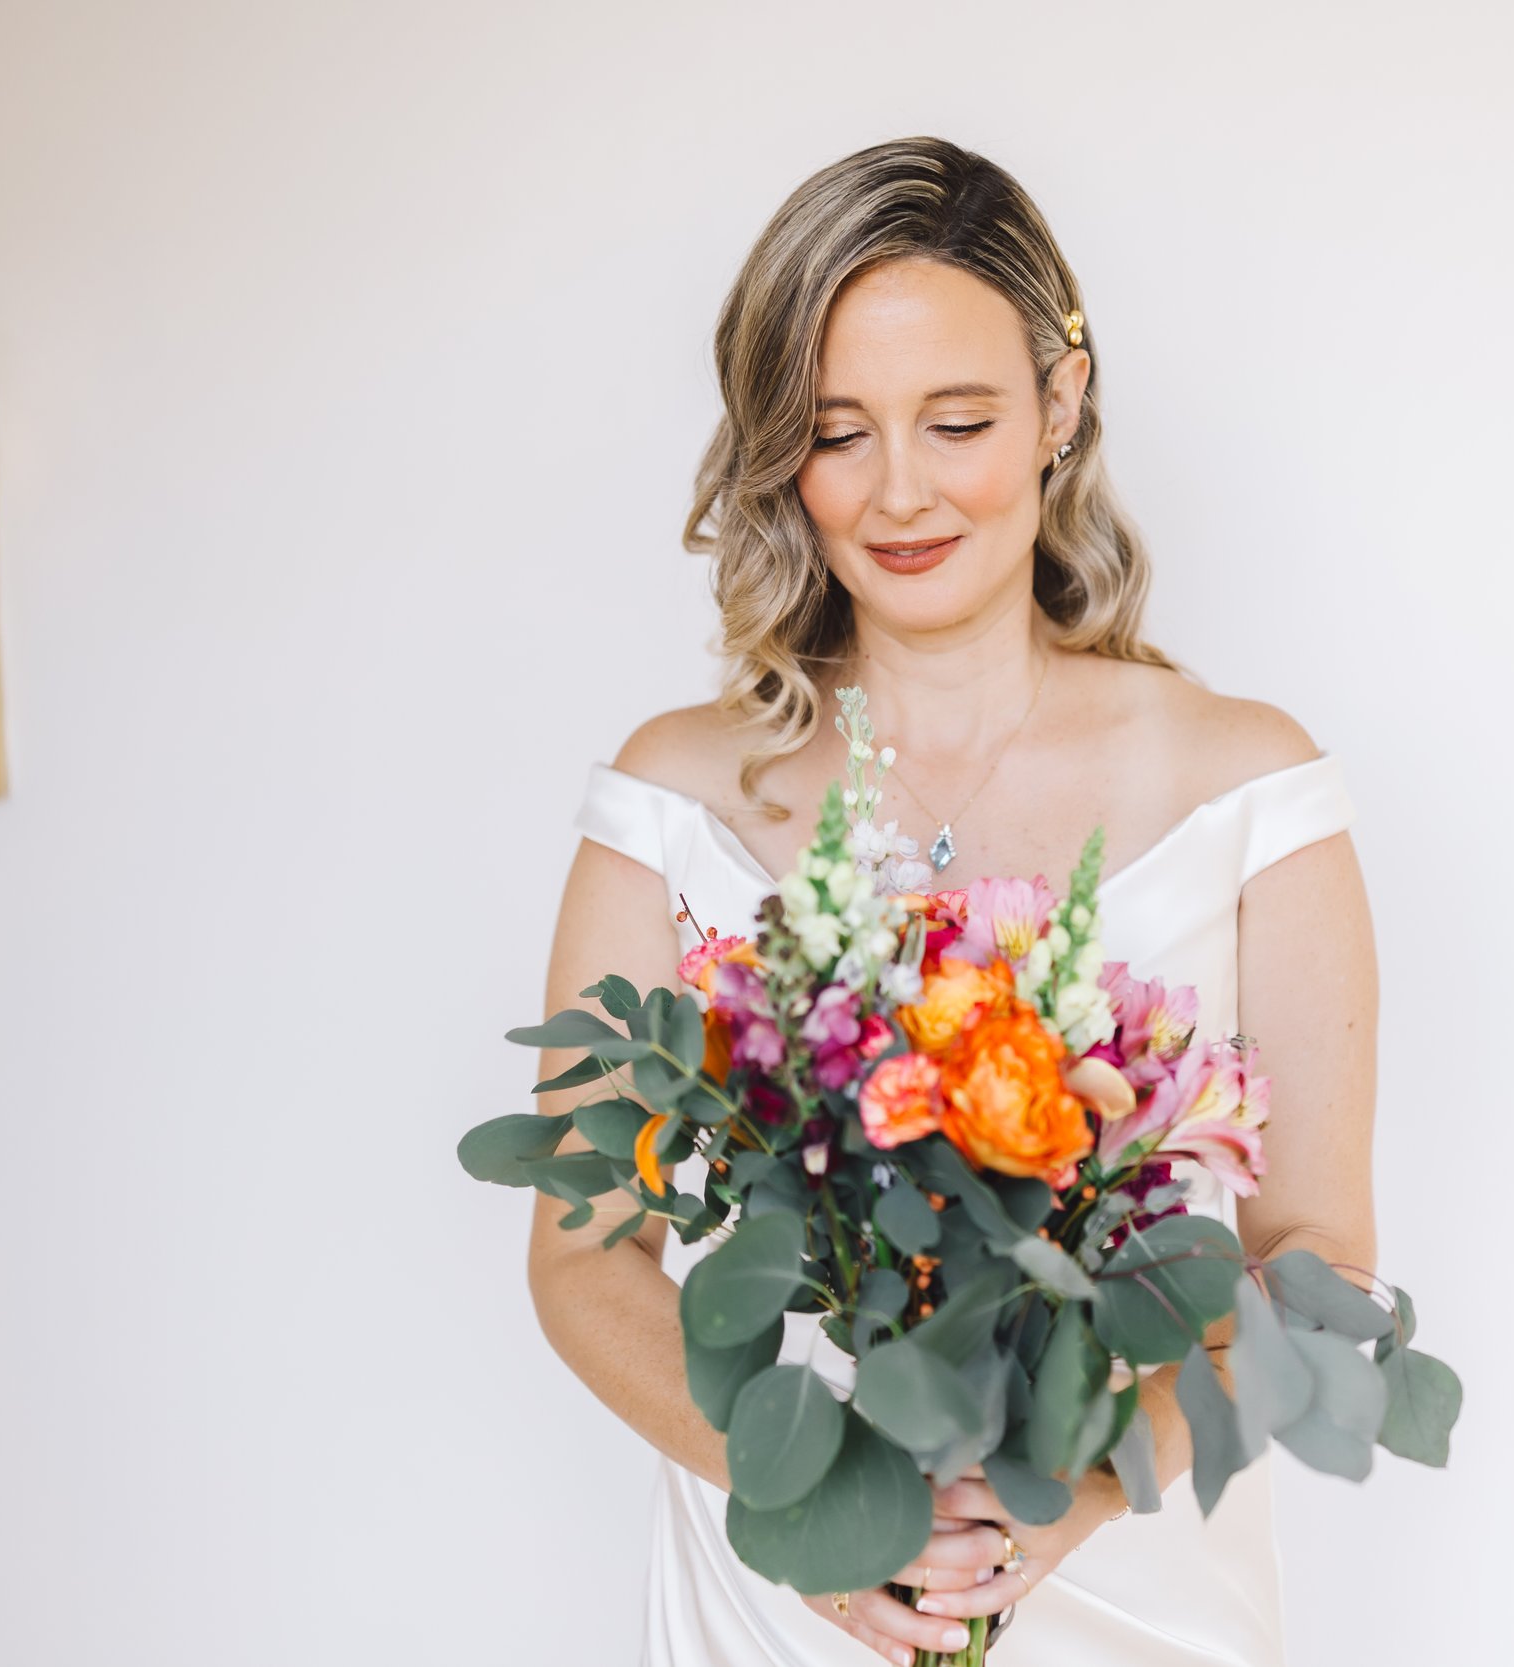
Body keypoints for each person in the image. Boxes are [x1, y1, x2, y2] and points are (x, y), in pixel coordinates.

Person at [525, 136, 1380, 1666]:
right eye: (836, 432)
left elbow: (1317, 1263)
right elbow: (584, 1256)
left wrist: (1090, 1483)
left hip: (1134, 1583)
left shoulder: (1249, 787)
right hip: (782, 1602)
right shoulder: (671, 797)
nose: (901, 491)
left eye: (959, 420)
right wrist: (805, 1505)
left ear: (1062, 404)